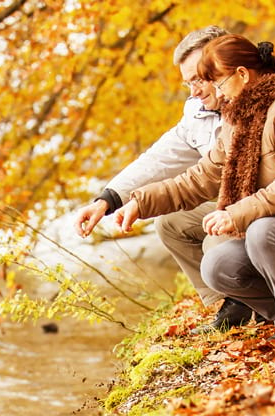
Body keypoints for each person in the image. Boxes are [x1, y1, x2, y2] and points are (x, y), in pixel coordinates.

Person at [114, 35, 275, 344]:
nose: (217, 94)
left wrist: (236, 213)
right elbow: (198, 179)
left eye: (219, 84)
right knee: (218, 265)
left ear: (242, 75)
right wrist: (139, 203)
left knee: (263, 231)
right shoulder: (237, 122)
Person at [72, 26, 262, 331]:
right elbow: (158, 160)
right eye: (189, 83)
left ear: (222, 66)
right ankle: (233, 305)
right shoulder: (198, 113)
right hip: (237, 210)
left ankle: (271, 298)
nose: (195, 91)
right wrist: (107, 200)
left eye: (200, 79)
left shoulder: (258, 104)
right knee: (171, 222)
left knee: (217, 242)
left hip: (271, 214)